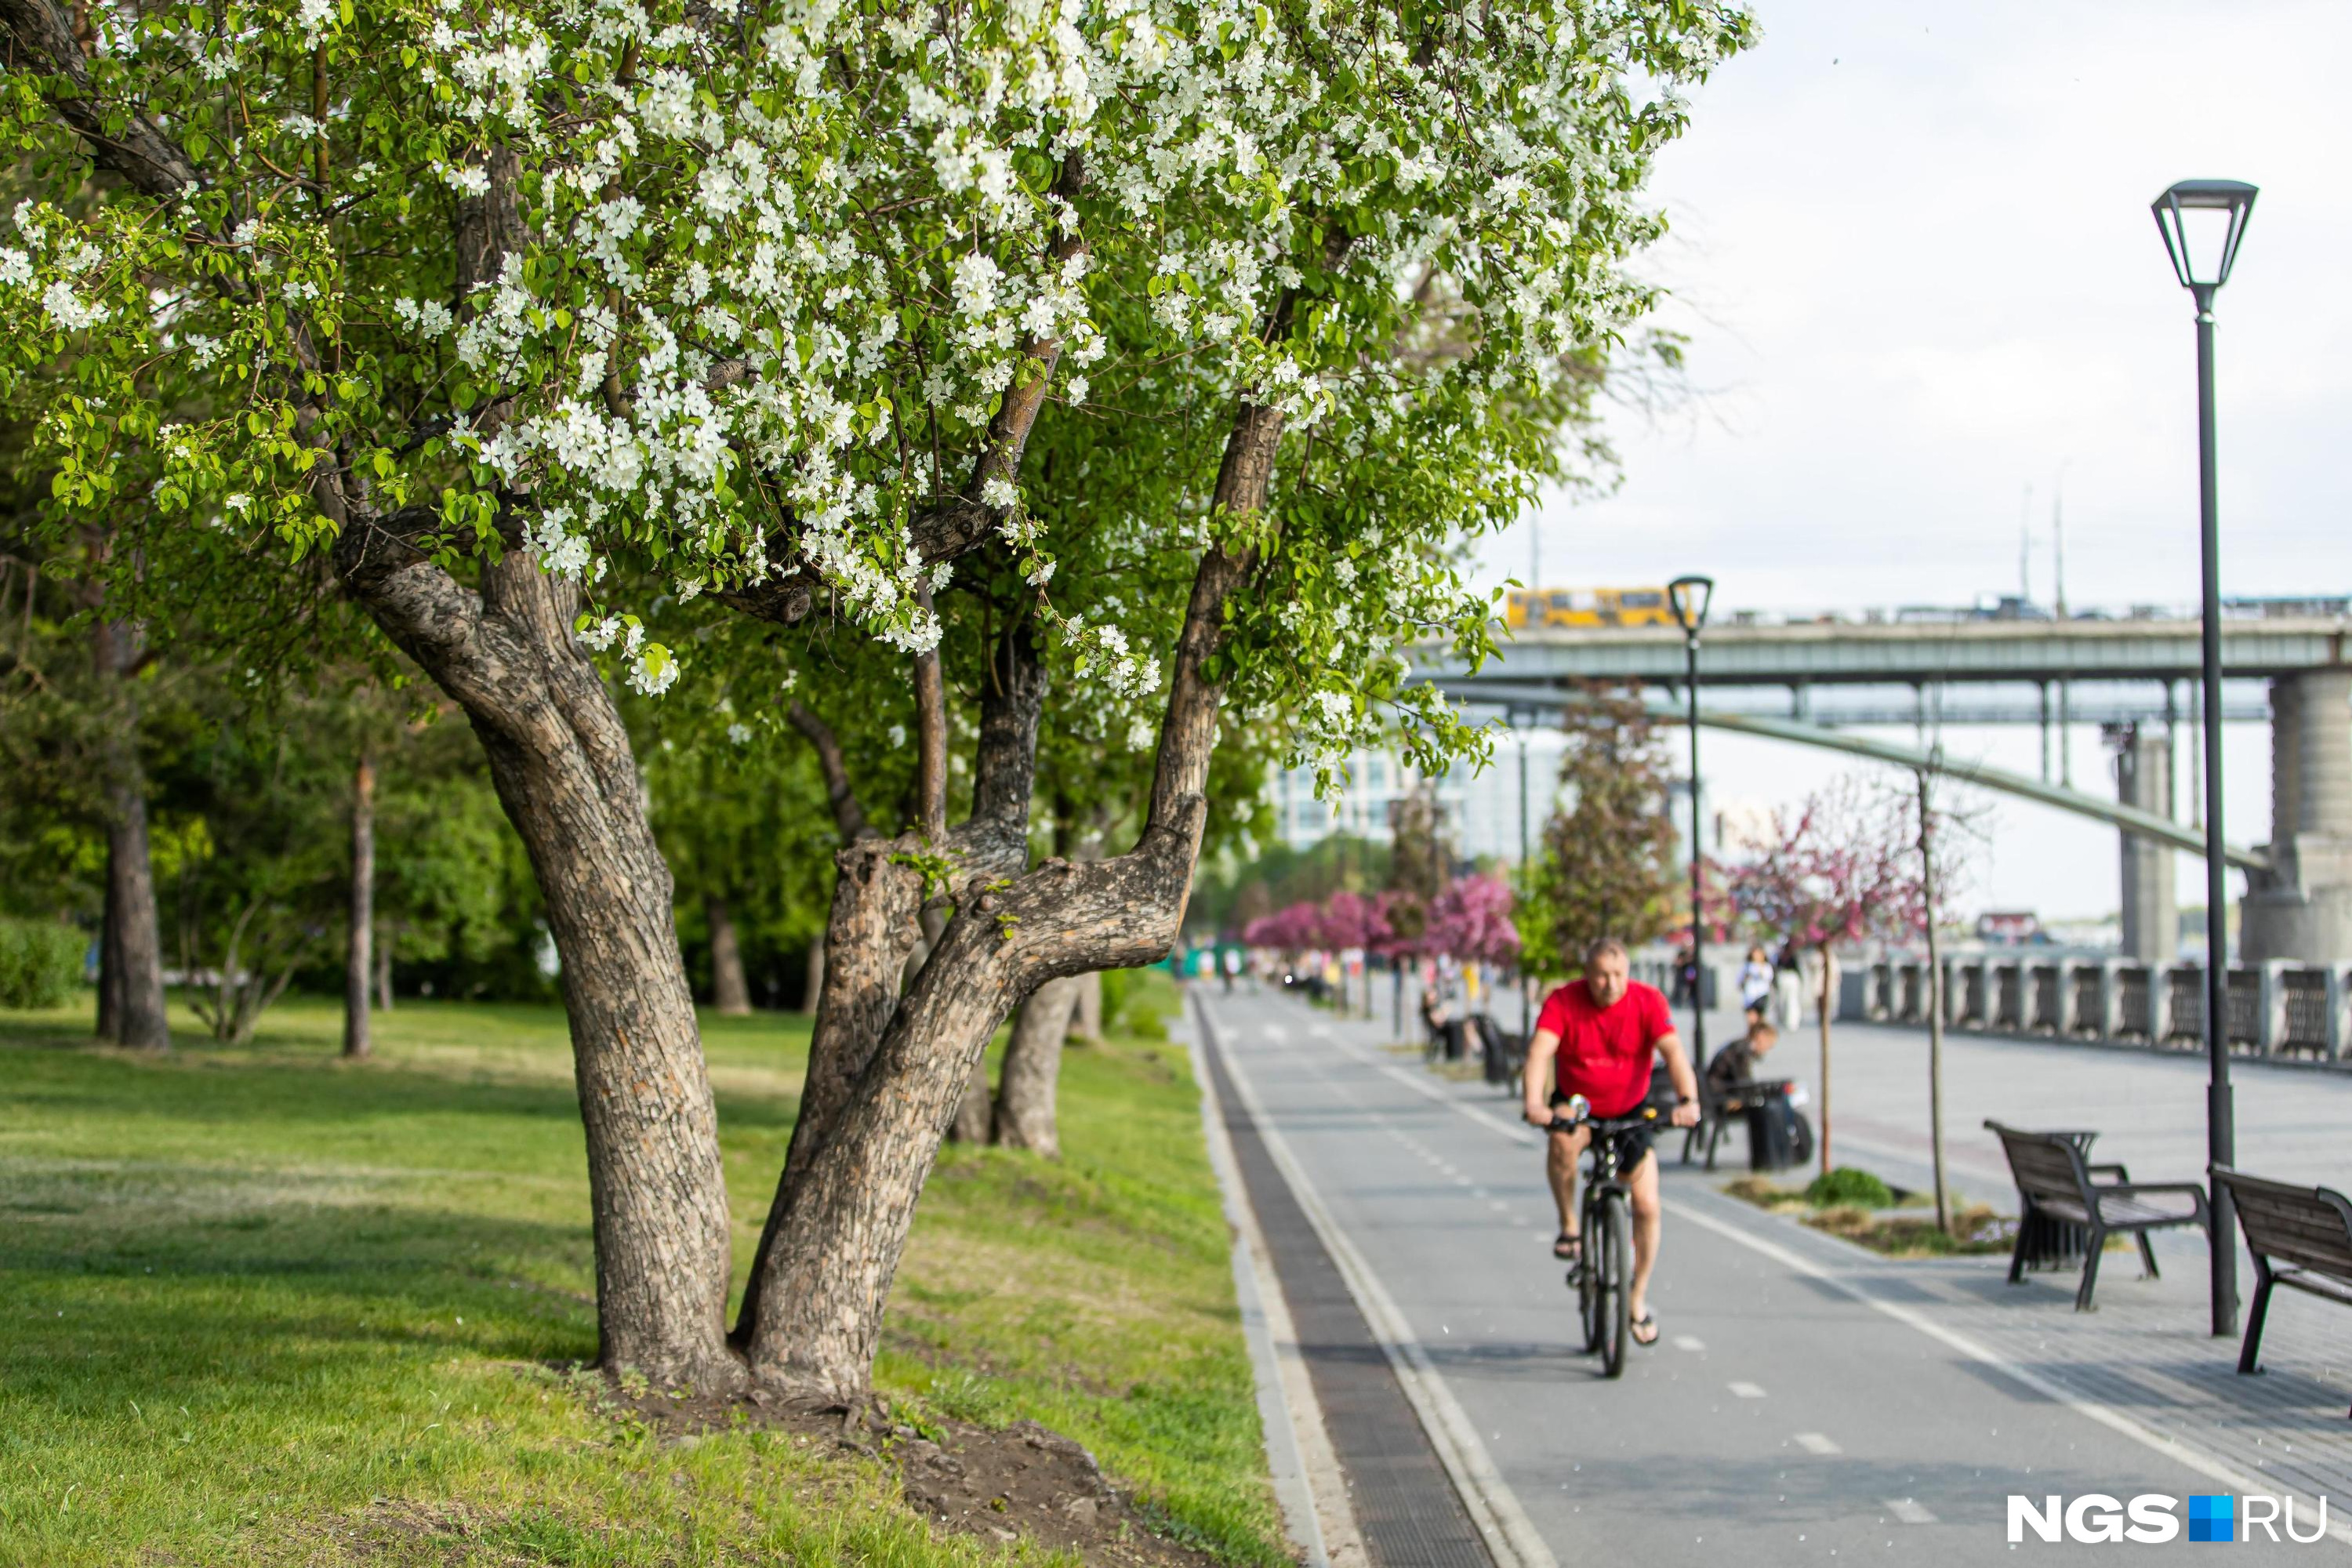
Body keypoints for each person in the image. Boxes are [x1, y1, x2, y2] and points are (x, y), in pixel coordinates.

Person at [1523, 936, 1700, 1348]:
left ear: (1629, 974)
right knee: (1562, 1142)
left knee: (1647, 1205)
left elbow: (1673, 1053)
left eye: (1618, 974)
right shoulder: (1565, 1001)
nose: (1610, 984)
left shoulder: (1648, 1001)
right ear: (1587, 974)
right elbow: (1539, 1052)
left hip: (1630, 1110)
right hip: (1578, 1106)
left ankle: (1636, 1300)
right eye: (1601, 975)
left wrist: (1688, 1101)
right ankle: (1570, 1225)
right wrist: (1535, 1103)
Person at [1736, 944, 1774, 1025]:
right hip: (1750, 995)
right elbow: (1740, 979)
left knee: (1760, 1017)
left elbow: (1768, 977)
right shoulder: (1747, 966)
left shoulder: (1766, 966)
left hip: (1761, 994)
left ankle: (1761, 1033)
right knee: (1751, 1017)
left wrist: (1759, 966)